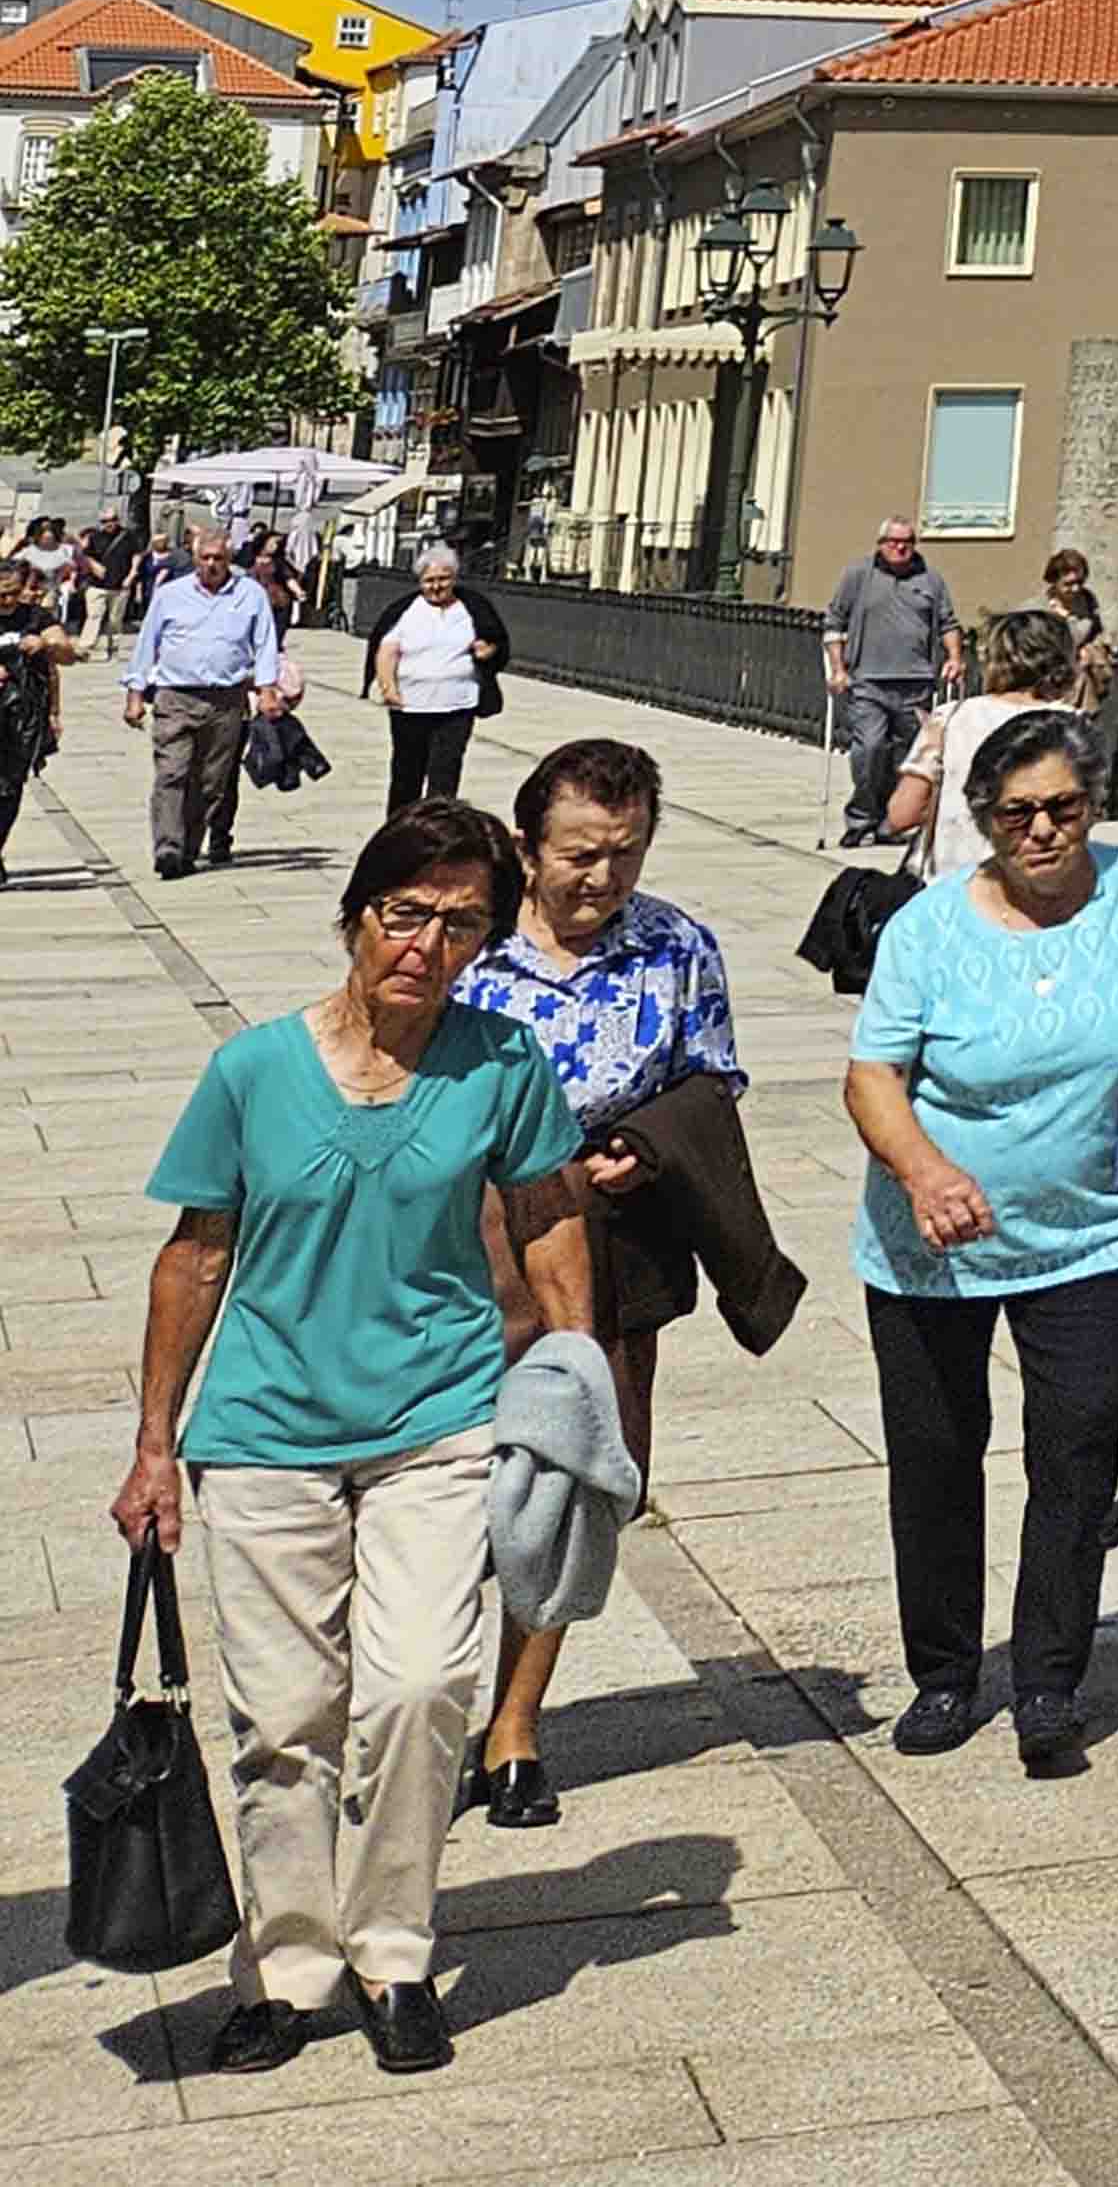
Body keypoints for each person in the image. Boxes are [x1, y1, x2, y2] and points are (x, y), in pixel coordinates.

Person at [113, 803, 595, 2078]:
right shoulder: (254, 1070)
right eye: (406, 913)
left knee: (424, 1686)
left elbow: (547, 1211)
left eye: (462, 924)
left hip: (437, 1419)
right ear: (356, 915)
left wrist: (576, 1373)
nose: (428, 945)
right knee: (283, 1715)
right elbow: (195, 1253)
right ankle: (287, 1966)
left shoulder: (501, 1062)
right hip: (266, 1430)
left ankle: (392, 1952)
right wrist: (155, 1444)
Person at [842, 709, 1118, 1777]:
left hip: (1088, 1231)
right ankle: (945, 1672)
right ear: (983, 819)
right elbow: (871, 1078)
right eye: (1019, 813)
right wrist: (925, 1171)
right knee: (938, 1457)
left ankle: (1050, 1679)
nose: (1045, 829)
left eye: (1066, 807)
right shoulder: (929, 929)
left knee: (1078, 1454)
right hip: (927, 1244)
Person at [448, 740, 744, 1828]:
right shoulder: (464, 944)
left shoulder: (677, 947)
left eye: (625, 853)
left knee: (571, 1476)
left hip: (614, 1240)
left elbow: (715, 1078)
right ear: (528, 847)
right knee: (442, 1480)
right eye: (579, 854)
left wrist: (651, 1144)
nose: (602, 877)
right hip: (464, 1240)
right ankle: (422, 1709)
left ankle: (516, 1720)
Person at [124, 521, 286, 878]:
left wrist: (267, 690)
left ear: (230, 559)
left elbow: (264, 646)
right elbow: (146, 645)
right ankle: (168, 845)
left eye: (219, 558)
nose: (211, 564)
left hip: (226, 700)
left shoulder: (250, 594)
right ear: (194, 559)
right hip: (176, 697)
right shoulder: (171, 594)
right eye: (205, 558)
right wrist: (135, 693)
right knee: (172, 772)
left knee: (211, 781)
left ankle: (188, 847)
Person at [882, 608, 1086, 878]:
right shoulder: (1074, 727)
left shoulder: (950, 719)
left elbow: (901, 815)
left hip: (952, 888)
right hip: (1043, 888)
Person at [822, 518, 962, 847]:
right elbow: (834, 621)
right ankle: (861, 818)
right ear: (880, 542)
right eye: (893, 541)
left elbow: (947, 623)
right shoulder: (858, 575)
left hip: (916, 684)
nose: (900, 547)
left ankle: (892, 821)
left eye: (908, 541)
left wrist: (954, 657)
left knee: (907, 757)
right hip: (868, 681)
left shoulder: (930, 579)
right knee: (869, 749)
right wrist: (838, 668)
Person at [365, 545, 502, 814]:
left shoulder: (471, 607)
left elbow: (495, 638)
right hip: (410, 705)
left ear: (454, 578)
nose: (436, 586)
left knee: (446, 773)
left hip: (458, 704)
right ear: (419, 582)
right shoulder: (407, 610)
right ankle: (401, 829)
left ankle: (440, 830)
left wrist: (488, 651)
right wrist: (387, 686)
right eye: (429, 580)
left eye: (443, 579)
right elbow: (386, 650)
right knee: (407, 773)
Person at [0, 555, 74, 879]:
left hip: (22, 717)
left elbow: (67, 654)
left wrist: (45, 642)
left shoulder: (35, 617)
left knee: (9, 788)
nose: (6, 601)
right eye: (0, 594)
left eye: (13, 593)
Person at [1034, 547, 1116, 704]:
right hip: (1052, 681)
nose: (1076, 589)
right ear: (1054, 581)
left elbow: (1096, 631)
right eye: (1068, 584)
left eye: (1080, 582)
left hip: (1085, 678)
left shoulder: (1088, 599)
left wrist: (1092, 649)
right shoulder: (1040, 609)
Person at [80, 508, 140, 644]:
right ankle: (86, 646)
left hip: (120, 585)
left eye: (112, 520)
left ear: (117, 520)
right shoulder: (95, 537)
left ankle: (113, 646)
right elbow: (85, 555)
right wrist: (94, 565)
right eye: (105, 521)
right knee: (93, 616)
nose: (109, 524)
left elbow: (136, 555)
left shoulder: (128, 536)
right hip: (97, 585)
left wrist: (131, 575)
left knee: (115, 619)